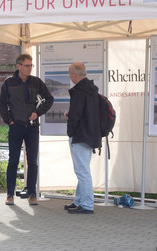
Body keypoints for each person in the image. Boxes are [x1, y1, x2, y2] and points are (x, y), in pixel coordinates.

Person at [0, 53, 54, 206]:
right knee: (13, 161)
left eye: (31, 65)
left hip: (32, 127)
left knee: (33, 162)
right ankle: (10, 194)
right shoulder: (9, 83)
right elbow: (2, 104)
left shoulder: (36, 82)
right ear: (19, 66)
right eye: (27, 65)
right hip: (15, 126)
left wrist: (38, 113)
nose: (30, 68)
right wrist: (9, 120)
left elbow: (49, 99)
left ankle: (32, 194)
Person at [64, 62, 101, 214]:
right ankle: (78, 201)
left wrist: (70, 132)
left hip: (80, 135)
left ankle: (86, 205)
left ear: (74, 74)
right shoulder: (92, 90)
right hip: (90, 135)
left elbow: (76, 115)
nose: (70, 77)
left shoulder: (79, 91)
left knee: (82, 171)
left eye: (70, 74)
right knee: (82, 169)